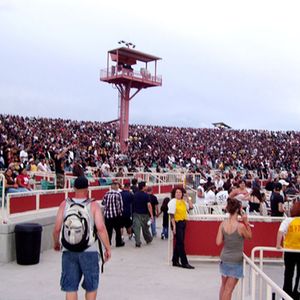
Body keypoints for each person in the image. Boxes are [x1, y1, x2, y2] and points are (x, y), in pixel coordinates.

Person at [53, 176, 111, 300]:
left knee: (70, 287)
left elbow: (57, 228)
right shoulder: (93, 205)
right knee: (91, 286)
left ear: (74, 188)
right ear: (87, 188)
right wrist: (108, 248)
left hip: (68, 250)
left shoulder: (65, 204)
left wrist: (56, 243)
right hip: (89, 250)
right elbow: (100, 228)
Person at [216, 198, 252, 300]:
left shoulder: (222, 224)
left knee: (223, 286)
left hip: (224, 258)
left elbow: (218, 242)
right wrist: (246, 222)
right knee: (229, 289)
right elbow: (249, 236)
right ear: (238, 210)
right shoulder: (240, 226)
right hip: (235, 260)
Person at [276, 201, 300, 299]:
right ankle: (297, 293)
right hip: (299, 251)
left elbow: (280, 232)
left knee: (288, 274)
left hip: (289, 250)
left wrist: (278, 244)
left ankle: (286, 295)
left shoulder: (287, 220)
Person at [168, 186, 194, 269]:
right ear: (174, 194)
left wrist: (187, 196)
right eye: (177, 192)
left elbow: (191, 207)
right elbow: (171, 214)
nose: (178, 194)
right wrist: (174, 226)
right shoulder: (173, 201)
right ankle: (184, 262)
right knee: (180, 243)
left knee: (179, 242)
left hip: (183, 222)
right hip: (176, 223)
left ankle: (175, 260)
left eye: (180, 192)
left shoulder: (183, 202)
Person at [102, 181, 124, 247]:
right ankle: (118, 243)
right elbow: (120, 205)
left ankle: (108, 243)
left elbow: (103, 203)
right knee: (117, 230)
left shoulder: (106, 193)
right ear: (116, 186)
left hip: (108, 215)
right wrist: (120, 213)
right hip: (116, 215)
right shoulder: (118, 194)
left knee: (108, 230)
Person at [132, 181, 153, 247]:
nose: (147, 187)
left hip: (136, 214)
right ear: (143, 187)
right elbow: (149, 205)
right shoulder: (146, 195)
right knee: (145, 229)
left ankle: (138, 242)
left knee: (136, 229)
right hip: (144, 214)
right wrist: (151, 215)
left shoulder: (134, 195)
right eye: (146, 186)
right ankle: (148, 239)